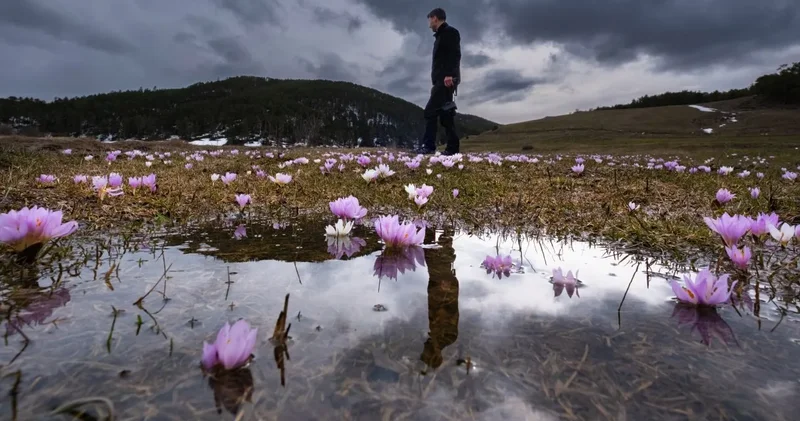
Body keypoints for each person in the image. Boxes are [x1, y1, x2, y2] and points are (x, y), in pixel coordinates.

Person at [414, 8, 461, 156]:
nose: (429, 24)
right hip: (441, 81)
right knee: (446, 114)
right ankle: (452, 148)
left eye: (430, 20)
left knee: (430, 111)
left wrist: (450, 74)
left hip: (446, 80)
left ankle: (428, 146)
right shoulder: (440, 36)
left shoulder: (450, 32)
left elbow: (455, 55)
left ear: (435, 18)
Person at [420, 226, 460, 373]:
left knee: (431, 256)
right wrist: (448, 288)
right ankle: (444, 228)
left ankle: (431, 228)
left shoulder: (438, 336)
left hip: (438, 286)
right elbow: (451, 309)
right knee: (439, 257)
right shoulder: (448, 337)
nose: (424, 346)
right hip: (443, 288)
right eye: (426, 351)